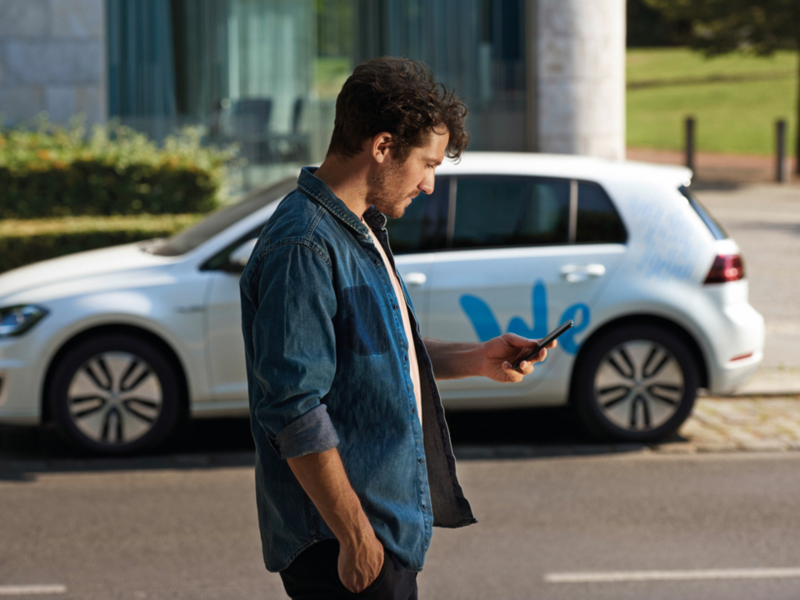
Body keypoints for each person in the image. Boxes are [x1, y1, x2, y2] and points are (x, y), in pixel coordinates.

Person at [240, 57, 556, 600]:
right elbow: (293, 409)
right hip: (341, 545)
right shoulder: (305, 246)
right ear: (383, 147)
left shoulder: (358, 229)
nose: (431, 185)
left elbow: (378, 350)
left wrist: (478, 358)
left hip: (377, 533)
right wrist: (355, 535)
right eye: (427, 164)